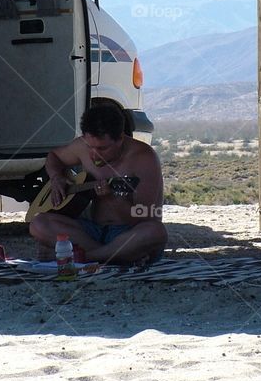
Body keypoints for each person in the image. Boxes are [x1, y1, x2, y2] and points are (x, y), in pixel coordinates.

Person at [28, 105, 167, 264]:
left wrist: (111, 200)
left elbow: (145, 215)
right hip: (92, 231)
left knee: (156, 232)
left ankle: (85, 257)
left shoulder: (144, 158)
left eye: (102, 148)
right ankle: (113, 256)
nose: (94, 154)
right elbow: (54, 156)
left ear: (120, 139)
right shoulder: (81, 146)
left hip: (127, 232)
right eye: (90, 147)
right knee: (39, 223)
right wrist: (56, 177)